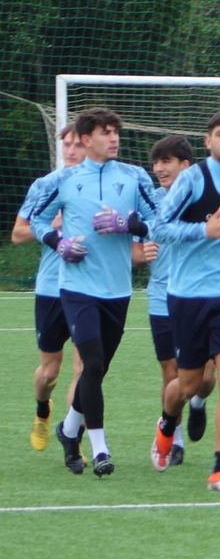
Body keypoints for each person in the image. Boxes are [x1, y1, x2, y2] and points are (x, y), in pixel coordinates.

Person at [28, 108, 163, 477]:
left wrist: (130, 223)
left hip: (118, 290)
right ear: (87, 140)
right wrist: (59, 242)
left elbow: (162, 220)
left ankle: (68, 430)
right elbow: (36, 222)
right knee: (92, 364)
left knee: (95, 371)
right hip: (75, 287)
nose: (114, 138)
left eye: (116, 131)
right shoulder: (66, 181)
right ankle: (100, 449)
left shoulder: (134, 177)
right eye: (106, 133)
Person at [149, 110, 220, 492]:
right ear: (208, 141)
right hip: (186, 297)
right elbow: (159, 229)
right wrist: (206, 230)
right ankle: (167, 423)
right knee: (189, 385)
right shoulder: (192, 180)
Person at [143, 136, 213, 469]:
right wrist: (140, 252)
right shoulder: (150, 200)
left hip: (201, 296)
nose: (159, 168)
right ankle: (175, 438)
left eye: (167, 161)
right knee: (171, 373)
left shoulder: (205, 199)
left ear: (186, 166)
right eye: (157, 162)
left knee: (209, 374)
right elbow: (135, 244)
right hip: (161, 298)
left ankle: (198, 402)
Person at [15, 125, 85, 452]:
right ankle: (43, 411)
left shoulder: (100, 187)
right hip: (51, 289)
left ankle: (73, 438)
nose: (71, 151)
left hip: (89, 288)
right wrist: (53, 226)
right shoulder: (45, 186)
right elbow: (18, 233)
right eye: (66, 145)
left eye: (77, 144)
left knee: (85, 370)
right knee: (49, 372)